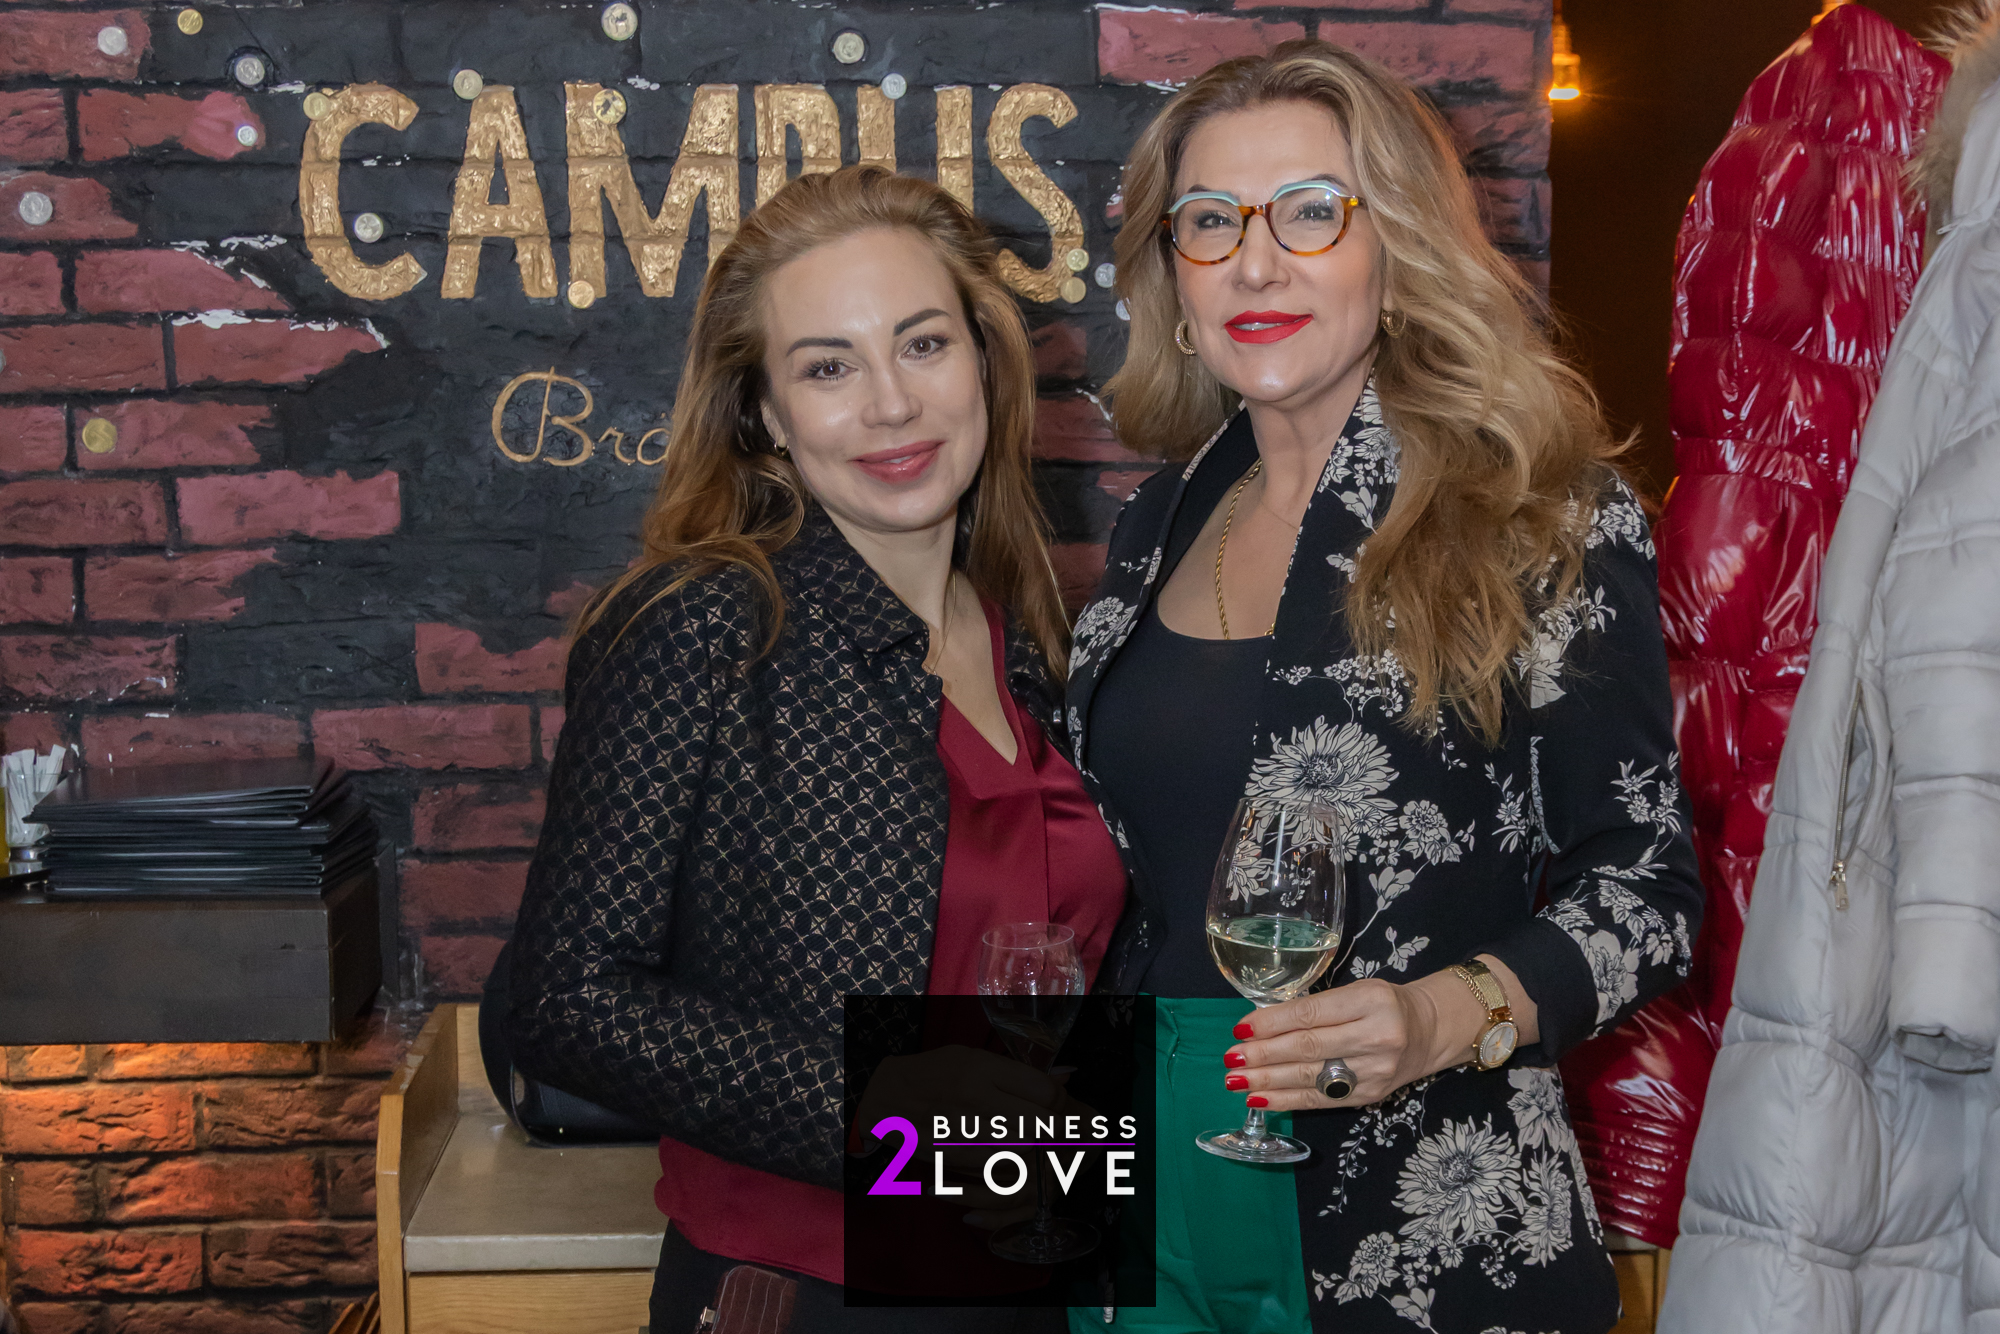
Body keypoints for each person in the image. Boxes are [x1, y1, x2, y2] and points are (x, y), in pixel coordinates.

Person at [1067, 40, 1704, 1334]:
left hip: (1417, 1205)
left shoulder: (1535, 515)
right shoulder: (1157, 519)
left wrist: (1444, 1013)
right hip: (1135, 1175)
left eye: (1311, 211)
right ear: (1171, 273)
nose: (1255, 262)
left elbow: (1649, 888)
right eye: (1210, 220)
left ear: (1397, 245)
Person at [505, 165, 1126, 1334]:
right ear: (762, 414)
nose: (890, 403)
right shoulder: (702, 625)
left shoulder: (1021, 627)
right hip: (811, 1295)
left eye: (922, 344)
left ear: (983, 362)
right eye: (827, 367)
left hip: (1033, 1277)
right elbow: (557, 1001)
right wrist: (886, 1103)